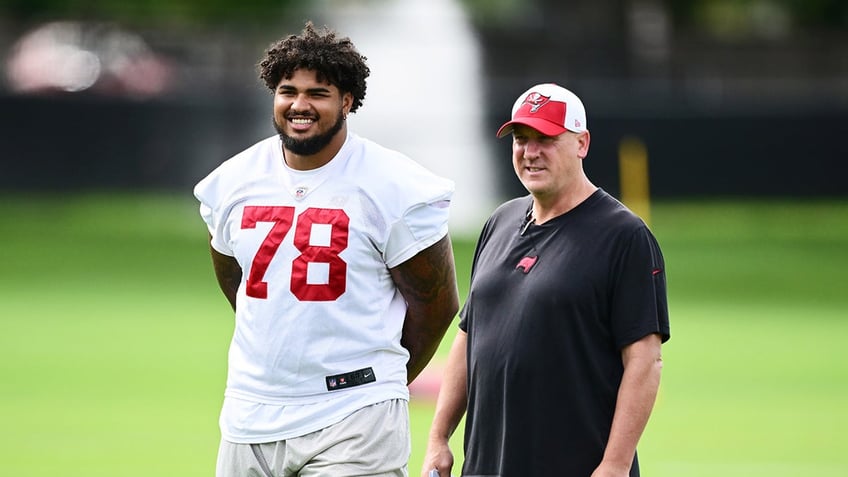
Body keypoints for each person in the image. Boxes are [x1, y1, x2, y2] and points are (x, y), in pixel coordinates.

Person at [194, 22, 460, 477]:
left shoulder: (394, 185)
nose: (299, 104)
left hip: (355, 414)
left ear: (347, 102)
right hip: (251, 412)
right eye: (287, 90)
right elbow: (235, 283)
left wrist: (380, 381)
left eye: (318, 93)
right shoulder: (233, 182)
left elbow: (436, 305)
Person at [422, 83, 670, 477]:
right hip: (488, 464)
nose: (530, 151)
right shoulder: (500, 221)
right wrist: (438, 439)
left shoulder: (623, 236)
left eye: (546, 139)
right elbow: (469, 337)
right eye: (521, 139)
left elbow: (644, 360)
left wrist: (616, 465)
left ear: (581, 143)